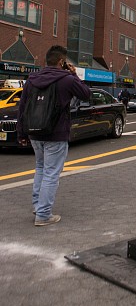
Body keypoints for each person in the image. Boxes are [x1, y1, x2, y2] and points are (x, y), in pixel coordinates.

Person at [17, 45, 91, 226]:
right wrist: (74, 74)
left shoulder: (32, 79)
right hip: (56, 134)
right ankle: (43, 214)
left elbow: (23, 107)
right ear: (61, 62)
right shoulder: (66, 79)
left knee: (41, 168)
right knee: (51, 173)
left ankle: (37, 205)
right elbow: (86, 94)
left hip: (35, 133)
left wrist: (21, 133)